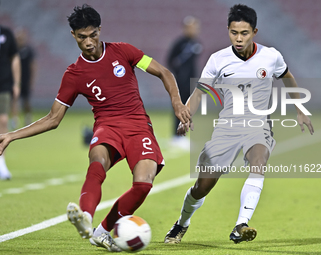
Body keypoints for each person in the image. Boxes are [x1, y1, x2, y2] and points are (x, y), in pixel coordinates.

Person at [0, 4, 190, 252]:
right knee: (97, 162)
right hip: (107, 126)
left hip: (138, 126)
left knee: (143, 184)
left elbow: (164, 72)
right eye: (82, 37)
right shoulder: (74, 74)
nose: (88, 42)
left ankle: (101, 231)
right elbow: (53, 119)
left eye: (92, 35)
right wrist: (12, 135)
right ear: (73, 35)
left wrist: (177, 102)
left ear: (100, 30)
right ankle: (85, 217)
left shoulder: (123, 51)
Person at [164, 4, 314, 245]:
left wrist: (300, 109)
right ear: (228, 30)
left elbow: (288, 77)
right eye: (234, 32)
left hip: (258, 124)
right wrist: (186, 115)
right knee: (202, 187)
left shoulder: (271, 56)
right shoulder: (218, 60)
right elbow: (200, 92)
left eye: (244, 33)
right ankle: (182, 223)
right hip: (227, 127)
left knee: (259, 161)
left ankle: (240, 225)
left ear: (254, 31)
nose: (238, 38)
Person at [167, 16, 202, 149]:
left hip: (191, 82)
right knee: (179, 108)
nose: (194, 30)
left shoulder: (196, 43)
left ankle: (182, 135)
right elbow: (170, 60)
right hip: (180, 82)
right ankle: (176, 136)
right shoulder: (179, 43)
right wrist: (177, 75)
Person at [0, 25, 21, 180]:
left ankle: (1, 163)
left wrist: (16, 83)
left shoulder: (6, 33)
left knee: (3, 120)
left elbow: (14, 57)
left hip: (3, 84)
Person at [12, 28, 36, 128]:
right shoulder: (13, 50)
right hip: (15, 79)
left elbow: (33, 66)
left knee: (26, 101)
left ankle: (28, 117)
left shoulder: (29, 50)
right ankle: (14, 120)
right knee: (14, 100)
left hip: (25, 79)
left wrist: (32, 80)